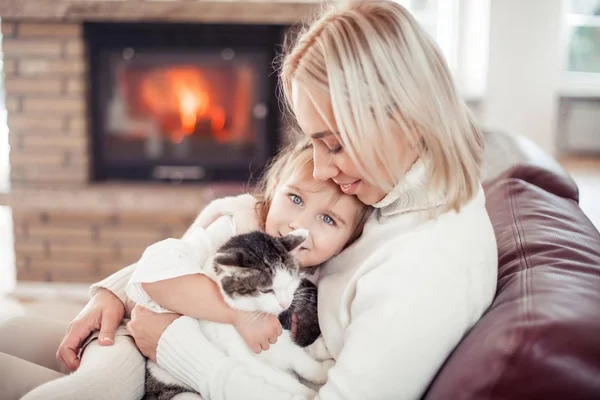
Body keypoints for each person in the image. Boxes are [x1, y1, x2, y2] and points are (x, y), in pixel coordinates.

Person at [1, 0, 499, 399]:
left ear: (405, 118)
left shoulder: (430, 263)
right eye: (314, 143)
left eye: (336, 143)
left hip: (185, 361)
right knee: (14, 331)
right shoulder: (387, 190)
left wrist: (171, 344)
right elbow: (241, 233)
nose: (322, 168)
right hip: (171, 333)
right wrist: (117, 290)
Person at [0, 141, 370, 400]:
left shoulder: (326, 279)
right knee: (100, 388)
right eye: (295, 199)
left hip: (181, 372)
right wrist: (237, 317)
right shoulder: (237, 225)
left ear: (351, 237)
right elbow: (160, 266)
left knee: (21, 340)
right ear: (274, 189)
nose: (297, 225)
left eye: (327, 219)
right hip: (139, 337)